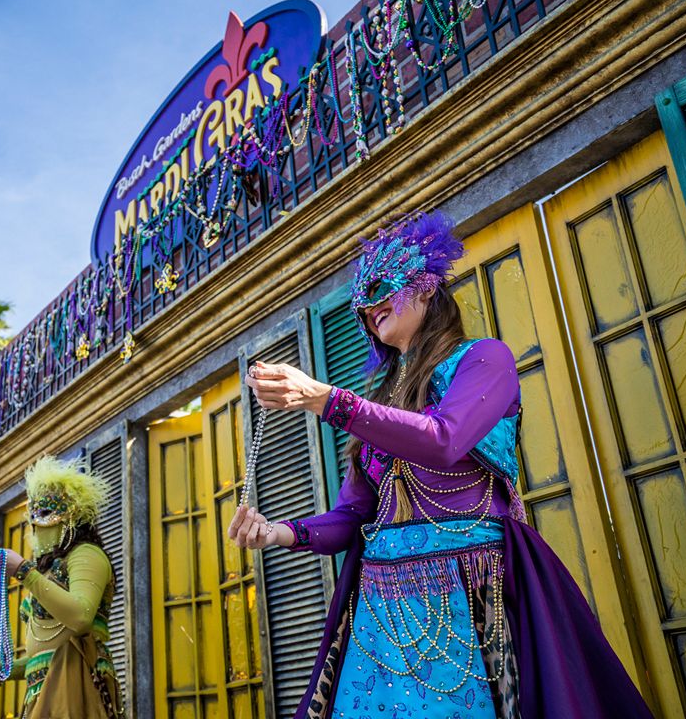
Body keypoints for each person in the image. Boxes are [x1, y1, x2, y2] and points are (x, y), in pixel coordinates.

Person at [231, 212, 652, 719]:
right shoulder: (379, 401)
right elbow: (353, 516)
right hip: (380, 610)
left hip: (472, 589)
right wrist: (278, 533)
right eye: (360, 307)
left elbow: (445, 440)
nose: (370, 307)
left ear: (427, 287)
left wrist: (327, 402)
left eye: (383, 287)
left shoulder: (484, 360)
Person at [0, 456, 121, 719]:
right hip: (42, 689)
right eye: (32, 513)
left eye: (45, 512)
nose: (35, 521)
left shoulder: (86, 554)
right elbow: (43, 656)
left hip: (76, 682)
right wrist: (1, 672)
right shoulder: (50, 567)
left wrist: (24, 572)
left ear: (72, 514)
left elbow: (81, 618)